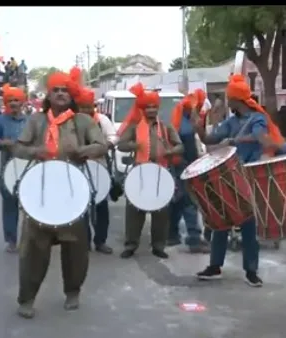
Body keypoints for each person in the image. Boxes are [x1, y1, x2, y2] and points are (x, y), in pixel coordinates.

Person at [12, 70, 106, 319]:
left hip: (73, 193)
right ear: (49, 94)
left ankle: (73, 291)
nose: (61, 94)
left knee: (75, 248)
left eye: (65, 90)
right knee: (33, 248)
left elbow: (102, 146)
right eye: (56, 90)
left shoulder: (83, 121)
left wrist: (82, 150)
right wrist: (36, 151)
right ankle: (27, 298)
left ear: (71, 94)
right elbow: (18, 148)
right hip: (40, 192)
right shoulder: (36, 121)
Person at [193, 74, 284, 287]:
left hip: (249, 177)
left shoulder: (257, 119)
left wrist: (235, 140)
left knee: (248, 226)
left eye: (229, 98)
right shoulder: (230, 122)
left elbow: (261, 137)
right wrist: (199, 127)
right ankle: (215, 267)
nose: (227, 101)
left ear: (236, 100)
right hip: (229, 178)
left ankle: (251, 271)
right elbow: (209, 140)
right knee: (221, 222)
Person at [117, 83, 184, 259]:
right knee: (134, 211)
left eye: (154, 107)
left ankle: (158, 246)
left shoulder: (165, 126)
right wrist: (134, 145)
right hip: (139, 171)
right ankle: (131, 245)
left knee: (161, 211)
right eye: (148, 107)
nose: (152, 110)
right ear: (142, 108)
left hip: (161, 172)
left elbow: (180, 146)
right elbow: (121, 144)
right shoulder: (134, 126)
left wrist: (170, 151)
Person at [167, 89, 210, 253]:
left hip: (179, 165)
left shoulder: (180, 120)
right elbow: (190, 150)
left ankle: (171, 234)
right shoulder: (186, 125)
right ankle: (194, 238)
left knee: (178, 201)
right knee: (189, 201)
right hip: (185, 166)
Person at [75, 87, 117, 254]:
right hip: (78, 168)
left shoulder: (102, 120)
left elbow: (113, 137)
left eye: (89, 106)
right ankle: (83, 242)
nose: (86, 110)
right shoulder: (72, 121)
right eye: (82, 107)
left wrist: (106, 145)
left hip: (100, 167)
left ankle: (100, 241)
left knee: (101, 207)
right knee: (80, 208)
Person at [0, 84, 27, 253]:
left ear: (22, 103)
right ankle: (11, 241)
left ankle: (30, 240)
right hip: (7, 170)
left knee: (31, 206)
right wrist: (4, 143)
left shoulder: (30, 121)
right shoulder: (0, 121)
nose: (13, 103)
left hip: (29, 169)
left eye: (16, 100)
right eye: (10, 100)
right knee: (9, 206)